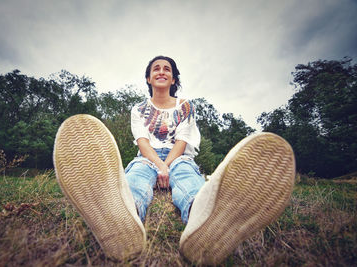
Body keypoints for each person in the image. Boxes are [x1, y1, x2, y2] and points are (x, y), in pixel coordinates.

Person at [53, 56, 295, 265]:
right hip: (146, 156)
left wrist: (167, 165)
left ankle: (202, 219)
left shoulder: (185, 106)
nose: (161, 71)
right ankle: (123, 216)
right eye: (156, 68)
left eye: (167, 69)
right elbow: (142, 142)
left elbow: (181, 142)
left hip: (178, 156)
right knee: (135, 179)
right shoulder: (138, 109)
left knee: (188, 179)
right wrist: (158, 166)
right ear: (148, 79)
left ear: (173, 79)